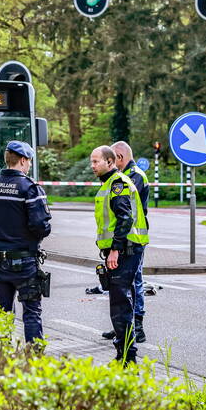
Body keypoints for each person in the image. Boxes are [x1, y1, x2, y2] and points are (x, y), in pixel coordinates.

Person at [0, 140, 52, 345]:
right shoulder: (30, 189)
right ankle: (34, 360)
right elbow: (41, 226)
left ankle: (1, 358)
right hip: (26, 262)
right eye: (30, 162)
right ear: (23, 161)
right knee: (31, 313)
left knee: (1, 314)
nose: (30, 166)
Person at [90, 145, 149, 364]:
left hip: (125, 250)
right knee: (123, 300)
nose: (92, 166)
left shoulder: (117, 184)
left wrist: (115, 249)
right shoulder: (110, 183)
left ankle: (127, 359)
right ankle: (125, 354)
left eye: (96, 161)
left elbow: (125, 219)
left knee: (120, 304)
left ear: (110, 161)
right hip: (124, 249)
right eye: (91, 162)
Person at [103, 141, 150, 343]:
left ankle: (136, 326)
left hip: (133, 238)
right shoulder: (126, 176)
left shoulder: (134, 177)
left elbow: (125, 209)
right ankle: (123, 326)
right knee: (124, 285)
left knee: (135, 281)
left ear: (119, 158)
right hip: (125, 238)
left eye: (112, 160)